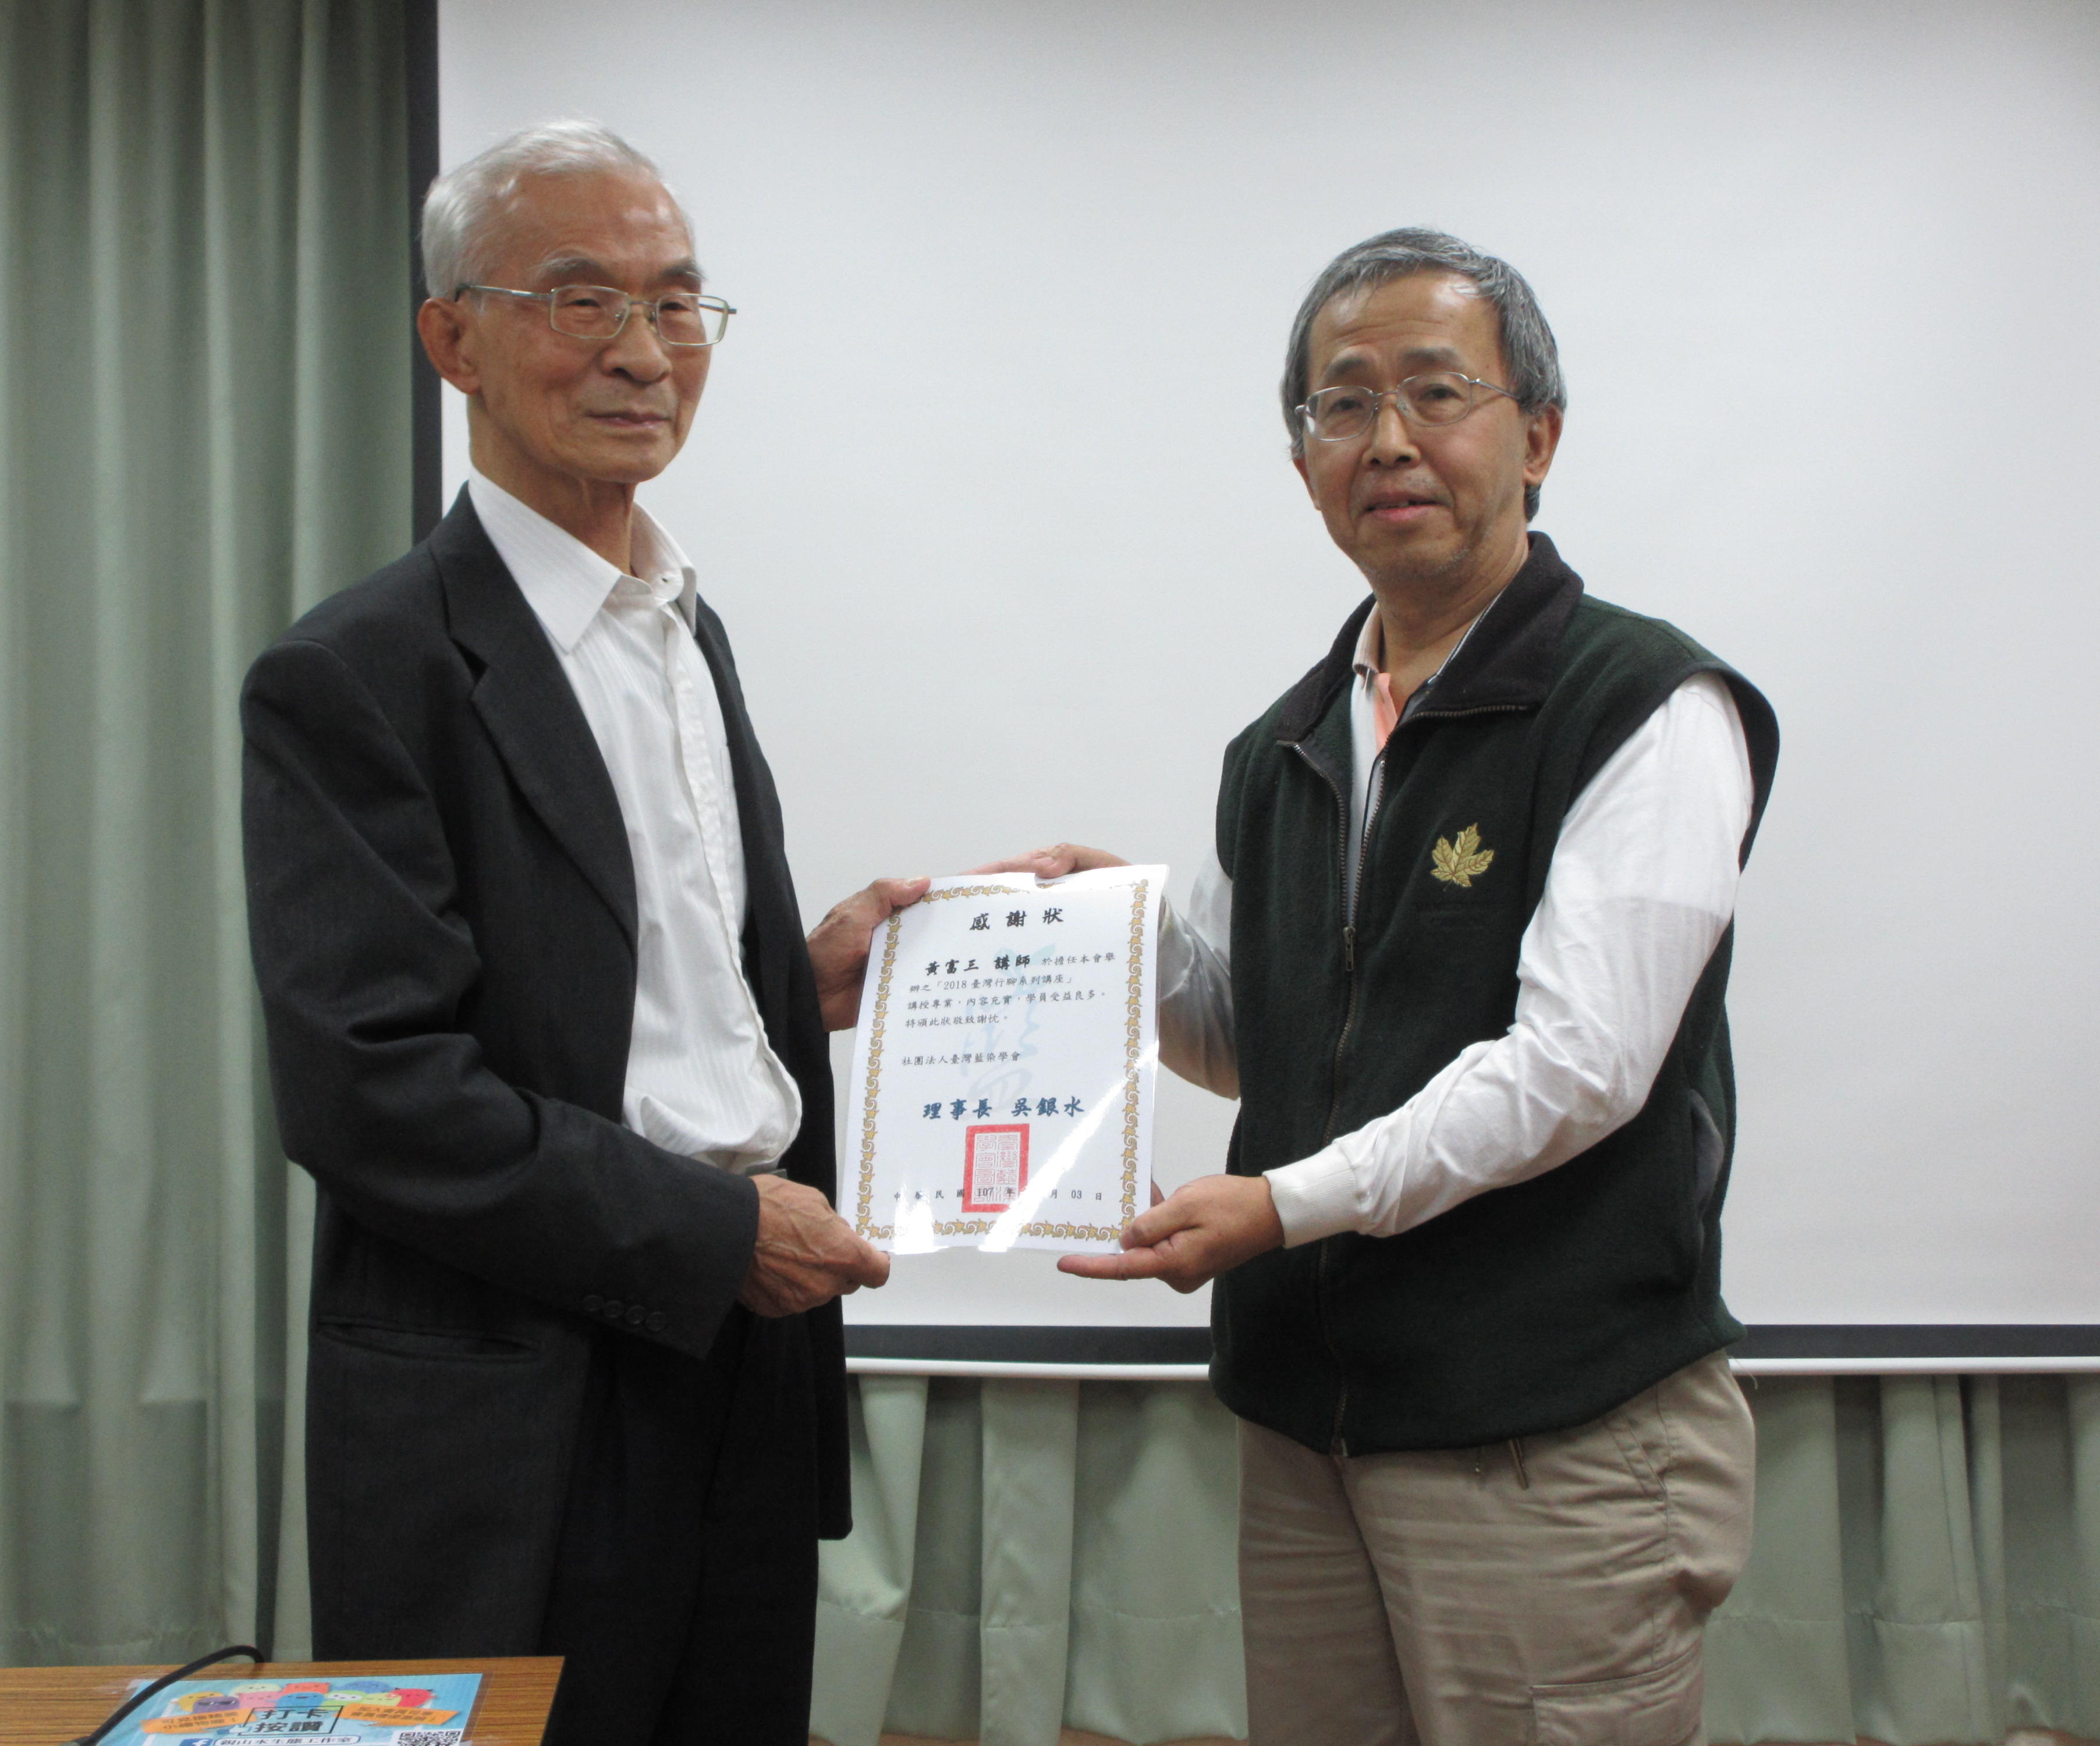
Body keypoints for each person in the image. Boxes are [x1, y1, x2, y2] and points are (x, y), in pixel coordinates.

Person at [989, 229, 1779, 1744]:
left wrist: (1282, 1207)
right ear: (1302, 463)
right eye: (1342, 404)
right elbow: (1258, 1040)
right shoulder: (1284, 741)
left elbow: (1578, 1068)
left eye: (1437, 390)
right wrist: (1111, 943)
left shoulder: (1643, 704)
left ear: (1538, 435)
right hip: (1310, 1432)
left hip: (1549, 1437)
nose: (1390, 439)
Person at [239, 122, 918, 1745]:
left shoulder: (683, 629)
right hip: (520, 1397)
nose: (643, 352)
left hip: (745, 1376)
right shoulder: (358, 671)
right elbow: (372, 1090)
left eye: (676, 303)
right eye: (581, 299)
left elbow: (631, 970)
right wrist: (712, 1233)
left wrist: (793, 981)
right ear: (452, 338)